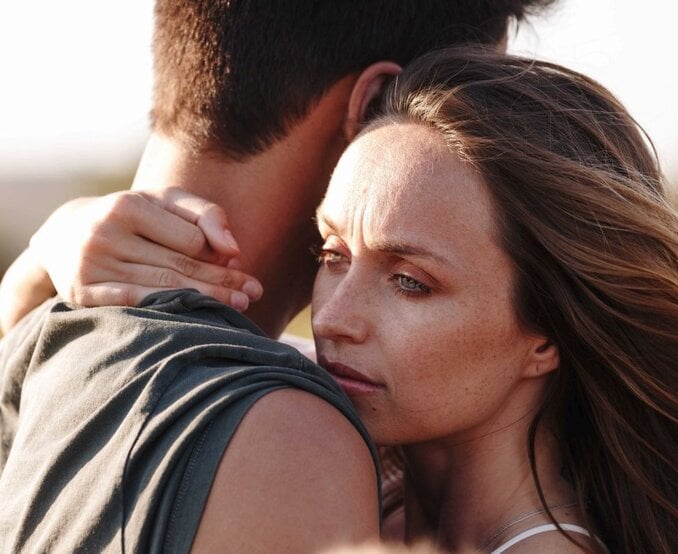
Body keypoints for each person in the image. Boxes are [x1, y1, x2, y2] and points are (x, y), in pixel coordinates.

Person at [21, 48, 678, 552]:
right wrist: (51, 248)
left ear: (546, 332)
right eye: (332, 256)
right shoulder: (366, 452)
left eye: (410, 283)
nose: (333, 318)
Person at [0, 2, 556, 552]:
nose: (333, 320)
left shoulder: (35, 347)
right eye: (469, 98)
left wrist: (29, 277)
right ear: (378, 105)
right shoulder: (291, 443)